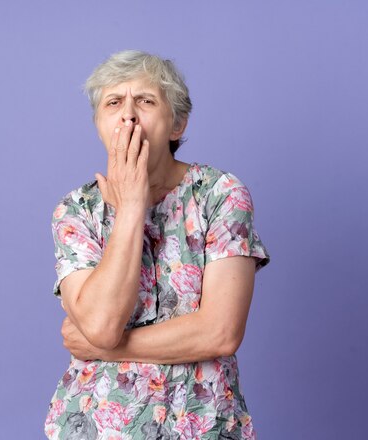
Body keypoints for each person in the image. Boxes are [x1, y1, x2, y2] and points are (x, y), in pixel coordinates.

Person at [44, 50, 270, 439]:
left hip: (202, 426)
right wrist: (131, 209)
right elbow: (100, 324)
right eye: (114, 103)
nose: (128, 115)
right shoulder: (76, 211)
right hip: (95, 427)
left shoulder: (220, 194)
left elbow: (220, 332)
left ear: (177, 124)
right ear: (100, 124)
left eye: (145, 101)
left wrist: (106, 350)